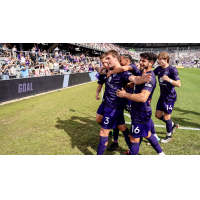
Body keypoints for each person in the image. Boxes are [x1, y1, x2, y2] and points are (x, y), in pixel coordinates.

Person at [96, 50, 152, 155]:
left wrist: (141, 79)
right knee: (122, 127)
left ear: (115, 59)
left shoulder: (124, 73)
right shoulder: (110, 70)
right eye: (105, 60)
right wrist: (100, 68)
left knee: (103, 132)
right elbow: (103, 71)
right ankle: (132, 150)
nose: (106, 61)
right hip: (110, 105)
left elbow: (134, 79)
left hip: (113, 107)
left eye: (108, 59)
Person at [116, 52, 165, 155]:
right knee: (147, 134)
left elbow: (143, 97)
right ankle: (161, 154)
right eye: (140, 60)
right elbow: (136, 86)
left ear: (151, 63)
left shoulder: (149, 77)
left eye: (144, 61)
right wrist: (129, 85)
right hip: (140, 111)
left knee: (133, 139)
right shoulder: (141, 74)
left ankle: (132, 153)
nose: (141, 63)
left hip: (140, 113)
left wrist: (125, 94)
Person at [154, 52, 181, 143]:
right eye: (158, 59)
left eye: (160, 59)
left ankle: (169, 136)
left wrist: (169, 80)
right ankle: (173, 124)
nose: (158, 61)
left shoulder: (172, 69)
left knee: (166, 117)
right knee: (157, 115)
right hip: (162, 96)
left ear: (166, 60)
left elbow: (178, 84)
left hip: (170, 97)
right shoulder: (158, 69)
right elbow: (151, 75)